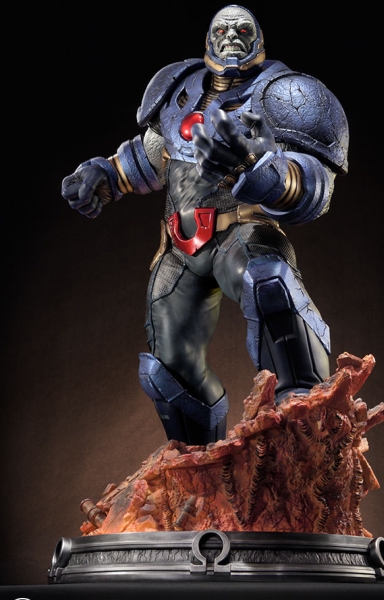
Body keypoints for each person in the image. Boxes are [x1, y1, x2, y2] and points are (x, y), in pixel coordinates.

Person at [61, 5, 349, 446]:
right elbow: (152, 156)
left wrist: (264, 172)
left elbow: (314, 185)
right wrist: (106, 175)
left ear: (258, 38)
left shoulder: (286, 95)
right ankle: (197, 465)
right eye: (222, 30)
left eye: (242, 30)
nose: (231, 36)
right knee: (167, 363)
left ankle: (305, 427)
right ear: (209, 39)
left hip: (241, 233)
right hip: (180, 247)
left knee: (270, 284)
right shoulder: (180, 91)